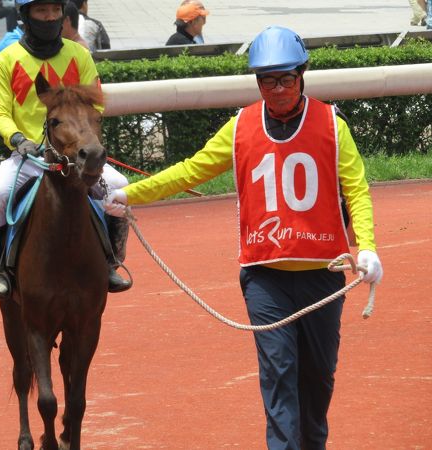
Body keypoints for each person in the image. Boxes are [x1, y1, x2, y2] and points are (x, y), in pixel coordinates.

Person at [104, 25, 384, 449]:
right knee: (278, 375)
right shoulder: (239, 128)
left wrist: (367, 247)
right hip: (264, 278)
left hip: (322, 276)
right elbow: (191, 169)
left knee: (318, 378)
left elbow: (356, 190)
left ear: (302, 74)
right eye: (267, 80)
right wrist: (130, 194)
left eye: (286, 78)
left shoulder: (332, 124)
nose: (277, 88)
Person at [0, 0, 131, 299]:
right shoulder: (7, 59)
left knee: (118, 186)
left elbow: (96, 100)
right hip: (28, 155)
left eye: (54, 10)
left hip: (76, 153)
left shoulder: (79, 54)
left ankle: (112, 262)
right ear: (26, 15)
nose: (50, 17)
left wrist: (82, 138)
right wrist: (16, 139)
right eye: (41, 11)